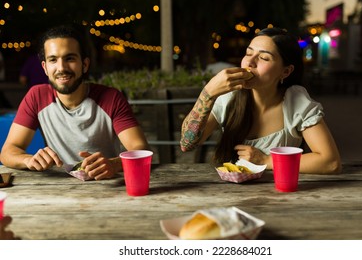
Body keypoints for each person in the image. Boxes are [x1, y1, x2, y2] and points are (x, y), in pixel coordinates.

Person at [180, 27, 341, 174]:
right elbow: (186, 144)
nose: (250, 62)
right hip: (230, 192)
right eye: (248, 53)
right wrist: (207, 94)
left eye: (264, 57)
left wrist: (266, 160)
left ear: (285, 71)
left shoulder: (295, 100)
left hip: (283, 193)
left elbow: (331, 162)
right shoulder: (228, 96)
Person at [1, 25, 149, 180]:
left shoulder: (111, 97)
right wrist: (28, 160)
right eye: (53, 60)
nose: (61, 68)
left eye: (69, 58)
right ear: (45, 67)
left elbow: (141, 149)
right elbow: (8, 151)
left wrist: (114, 164)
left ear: (84, 65)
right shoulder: (36, 97)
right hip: (58, 187)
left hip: (106, 184)